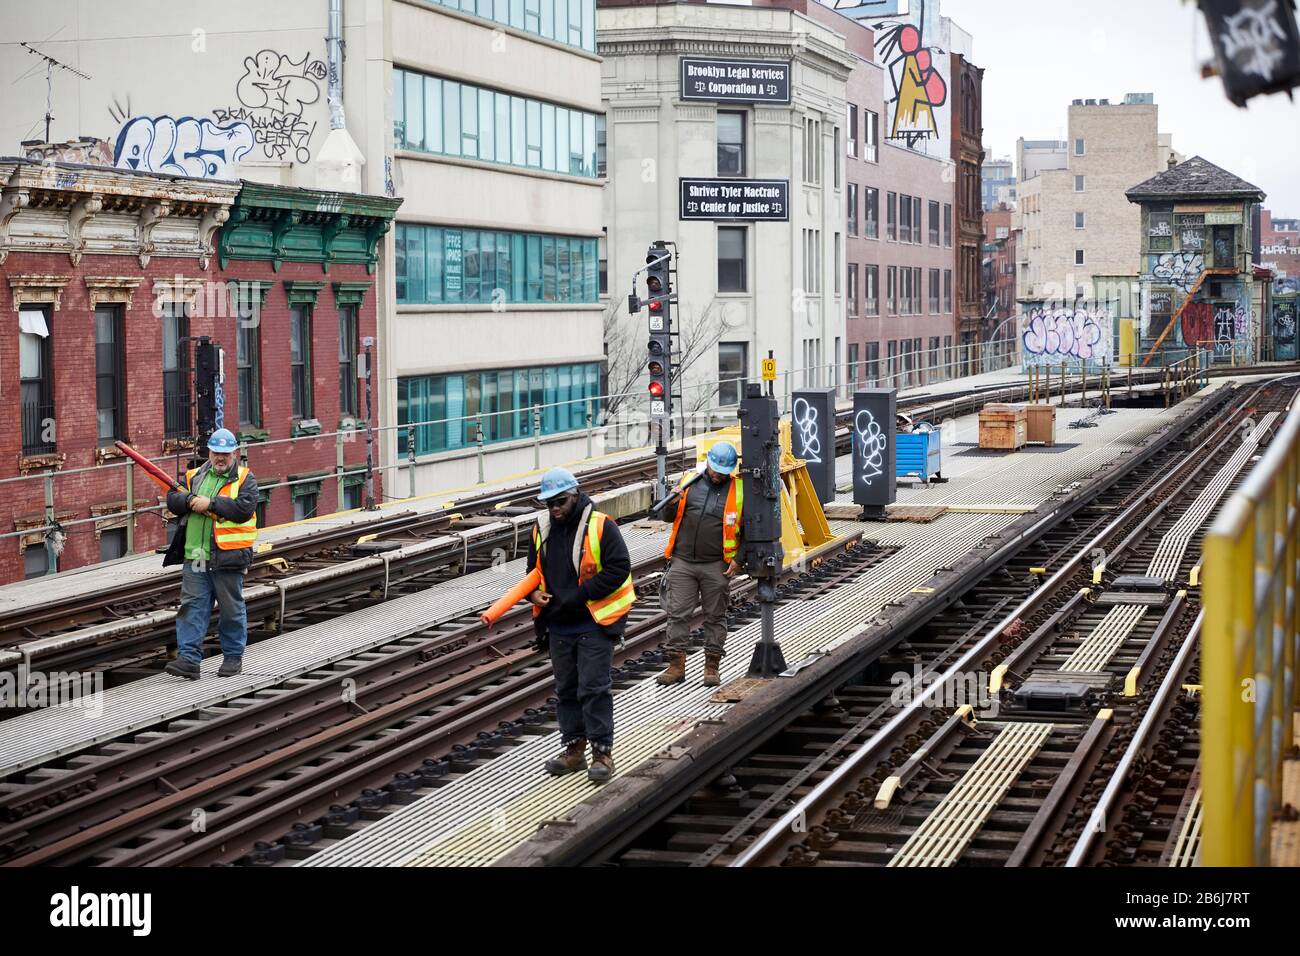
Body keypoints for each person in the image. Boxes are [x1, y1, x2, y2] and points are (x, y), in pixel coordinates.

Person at [528, 467, 635, 783]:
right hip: (559, 626)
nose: (554, 509)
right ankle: (573, 749)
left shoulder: (601, 526)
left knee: (593, 688)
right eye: (549, 504)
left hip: (594, 623)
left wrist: (579, 596)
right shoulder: (542, 528)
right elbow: (532, 571)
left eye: (559, 502)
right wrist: (533, 593)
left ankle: (602, 753)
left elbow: (619, 569)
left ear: (574, 495)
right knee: (567, 690)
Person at [161, 428, 259, 679]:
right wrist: (188, 500)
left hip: (228, 556)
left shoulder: (245, 478)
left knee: (230, 609)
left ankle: (233, 658)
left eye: (225, 453)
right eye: (216, 453)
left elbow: (244, 508)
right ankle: (189, 660)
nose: (220, 458)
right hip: (196, 555)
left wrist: (211, 504)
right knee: (192, 607)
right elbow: (172, 499)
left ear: (234, 453)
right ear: (210, 452)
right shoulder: (194, 475)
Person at [656, 441, 743, 688]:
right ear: (708, 465)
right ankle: (676, 666)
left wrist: (739, 558)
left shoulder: (739, 491)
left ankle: (712, 667)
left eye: (723, 472)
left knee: (715, 617)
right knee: (677, 614)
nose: (718, 475)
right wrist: (671, 504)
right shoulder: (689, 483)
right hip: (683, 561)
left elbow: (750, 529)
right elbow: (667, 517)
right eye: (715, 470)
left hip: (716, 565)